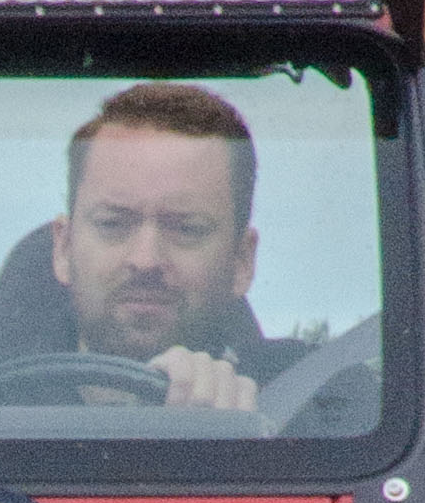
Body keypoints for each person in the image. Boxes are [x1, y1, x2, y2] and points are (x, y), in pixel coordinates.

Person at [48, 81, 308, 410]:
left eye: (186, 228)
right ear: (63, 248)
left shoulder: (319, 406)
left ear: (242, 261)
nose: (146, 260)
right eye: (112, 224)